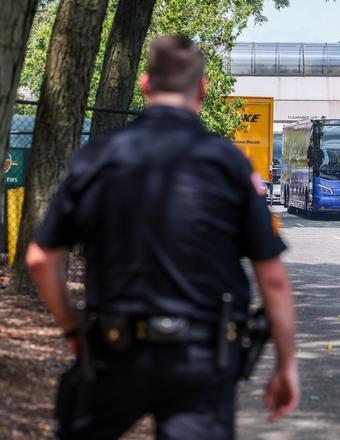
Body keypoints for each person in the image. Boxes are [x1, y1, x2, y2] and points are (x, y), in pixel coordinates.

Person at [26, 35, 299, 439]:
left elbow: (40, 259)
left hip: (114, 353)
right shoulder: (229, 165)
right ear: (202, 88)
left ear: (144, 83)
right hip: (201, 363)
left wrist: (73, 331)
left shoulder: (98, 157)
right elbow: (272, 278)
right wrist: (286, 363)